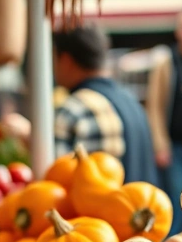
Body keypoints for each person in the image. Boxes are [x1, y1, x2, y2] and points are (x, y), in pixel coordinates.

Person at [52, 25, 158, 185]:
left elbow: (58, 178)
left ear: (66, 60)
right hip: (143, 205)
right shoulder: (130, 100)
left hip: (100, 210)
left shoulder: (74, 109)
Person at [147, 6, 182, 235]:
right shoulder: (166, 64)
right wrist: (160, 145)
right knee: (178, 203)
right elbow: (154, 108)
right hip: (175, 148)